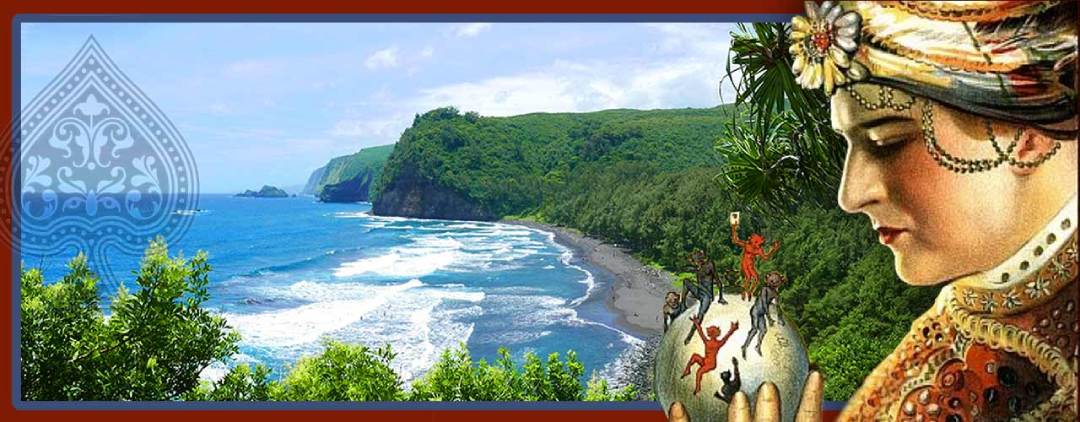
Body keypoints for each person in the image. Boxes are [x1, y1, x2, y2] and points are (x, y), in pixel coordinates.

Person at [671, 1, 1077, 421]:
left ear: (1029, 136)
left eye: (887, 141)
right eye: (849, 143)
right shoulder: (959, 327)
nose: (850, 195)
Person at [681, 320, 738, 395]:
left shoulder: (717, 344)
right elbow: (701, 333)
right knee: (694, 356)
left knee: (699, 372)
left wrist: (732, 329)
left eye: (710, 333)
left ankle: (698, 388)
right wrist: (696, 323)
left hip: (710, 365)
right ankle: (687, 370)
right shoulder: (708, 342)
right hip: (705, 361)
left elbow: (726, 337)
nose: (709, 334)